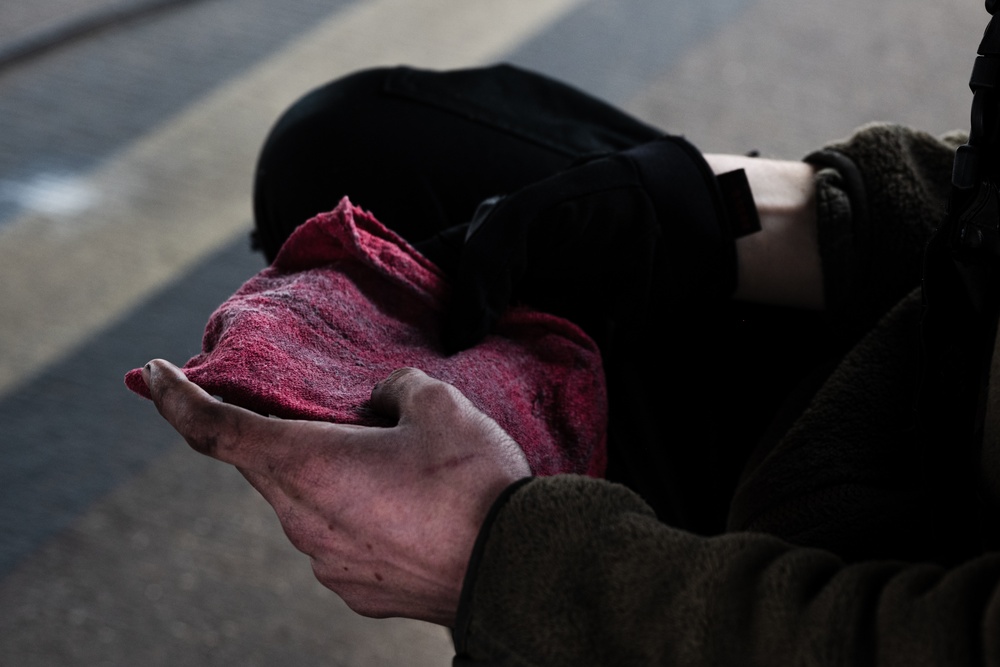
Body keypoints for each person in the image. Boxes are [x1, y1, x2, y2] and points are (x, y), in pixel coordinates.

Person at [139, 65, 1000, 665]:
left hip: (861, 597)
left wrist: (508, 563)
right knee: (361, 149)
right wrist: (726, 208)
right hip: (915, 370)